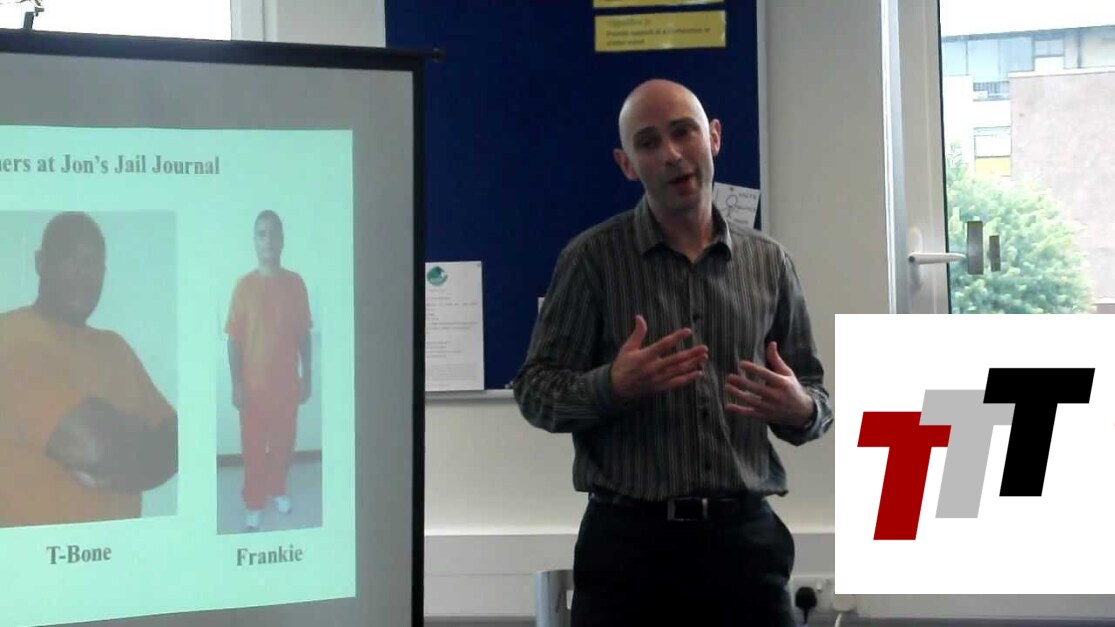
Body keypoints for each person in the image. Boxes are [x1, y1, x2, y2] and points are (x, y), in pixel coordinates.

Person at [512, 79, 834, 626]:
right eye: (648, 142)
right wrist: (612, 387)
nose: (671, 154)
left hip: (744, 550)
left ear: (714, 137)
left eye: (684, 132)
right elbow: (534, 390)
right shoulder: (591, 260)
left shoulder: (769, 263)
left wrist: (799, 408)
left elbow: (816, 398)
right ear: (626, 164)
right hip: (629, 554)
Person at [0, 212, 179, 528]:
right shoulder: (12, 337)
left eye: (94, 263)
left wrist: (119, 447)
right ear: (41, 262)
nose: (84, 275)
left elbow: (178, 441)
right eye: (71, 259)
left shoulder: (116, 348)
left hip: (124, 550)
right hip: (44, 555)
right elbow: (92, 447)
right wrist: (141, 441)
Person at [226, 210, 312, 532]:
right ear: (254, 240)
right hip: (253, 389)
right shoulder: (244, 287)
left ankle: (277, 489)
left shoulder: (295, 284)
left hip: (286, 385)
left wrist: (308, 377)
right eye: (262, 233)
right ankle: (254, 502)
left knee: (283, 446)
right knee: (252, 448)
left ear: (283, 239)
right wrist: (236, 384)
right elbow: (233, 340)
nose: (268, 240)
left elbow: (304, 336)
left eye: (274, 233)